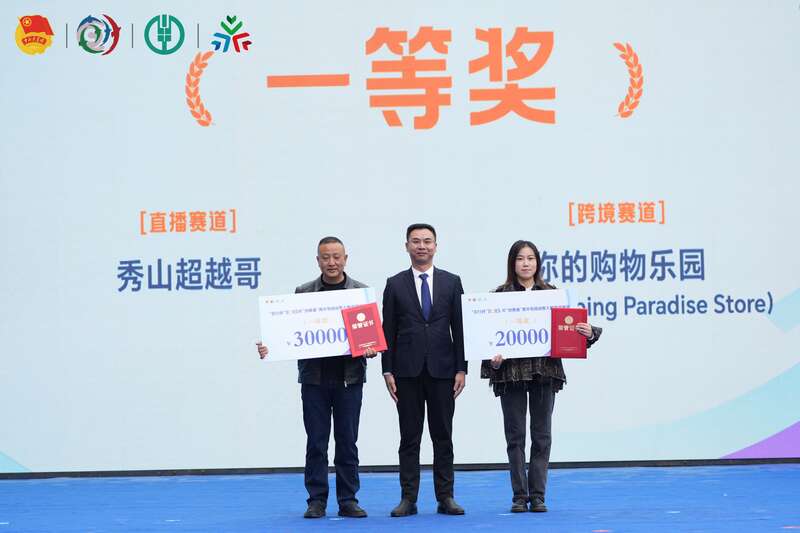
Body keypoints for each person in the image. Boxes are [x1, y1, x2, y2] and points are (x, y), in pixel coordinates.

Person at [256, 236, 376, 519]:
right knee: (316, 443)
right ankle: (316, 501)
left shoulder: (359, 293)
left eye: (336, 256)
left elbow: (369, 336)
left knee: (347, 442)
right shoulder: (303, 292)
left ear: (345, 258)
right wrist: (270, 347)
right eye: (325, 257)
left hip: (349, 379)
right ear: (318, 260)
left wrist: (371, 347)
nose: (331, 262)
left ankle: (348, 500)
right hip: (314, 380)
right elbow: (287, 332)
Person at [480, 240, 602, 514]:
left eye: (531, 258)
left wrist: (588, 332)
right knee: (515, 437)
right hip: (510, 374)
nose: (526, 263)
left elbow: (570, 331)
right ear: (512, 263)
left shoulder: (552, 295)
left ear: (538, 263)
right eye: (520, 258)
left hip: (544, 372)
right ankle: (519, 496)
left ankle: (537, 495)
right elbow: (485, 340)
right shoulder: (498, 296)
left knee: (542, 436)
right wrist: (492, 359)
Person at [381, 223, 467, 517]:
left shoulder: (452, 282)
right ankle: (408, 498)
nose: (422, 246)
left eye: (427, 241)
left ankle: (446, 497)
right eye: (416, 241)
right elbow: (388, 331)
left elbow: (460, 328)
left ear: (435, 246)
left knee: (443, 436)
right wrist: (387, 370)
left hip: (444, 371)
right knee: (409, 438)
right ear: (406, 246)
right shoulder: (394, 284)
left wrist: (461, 368)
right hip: (406, 372)